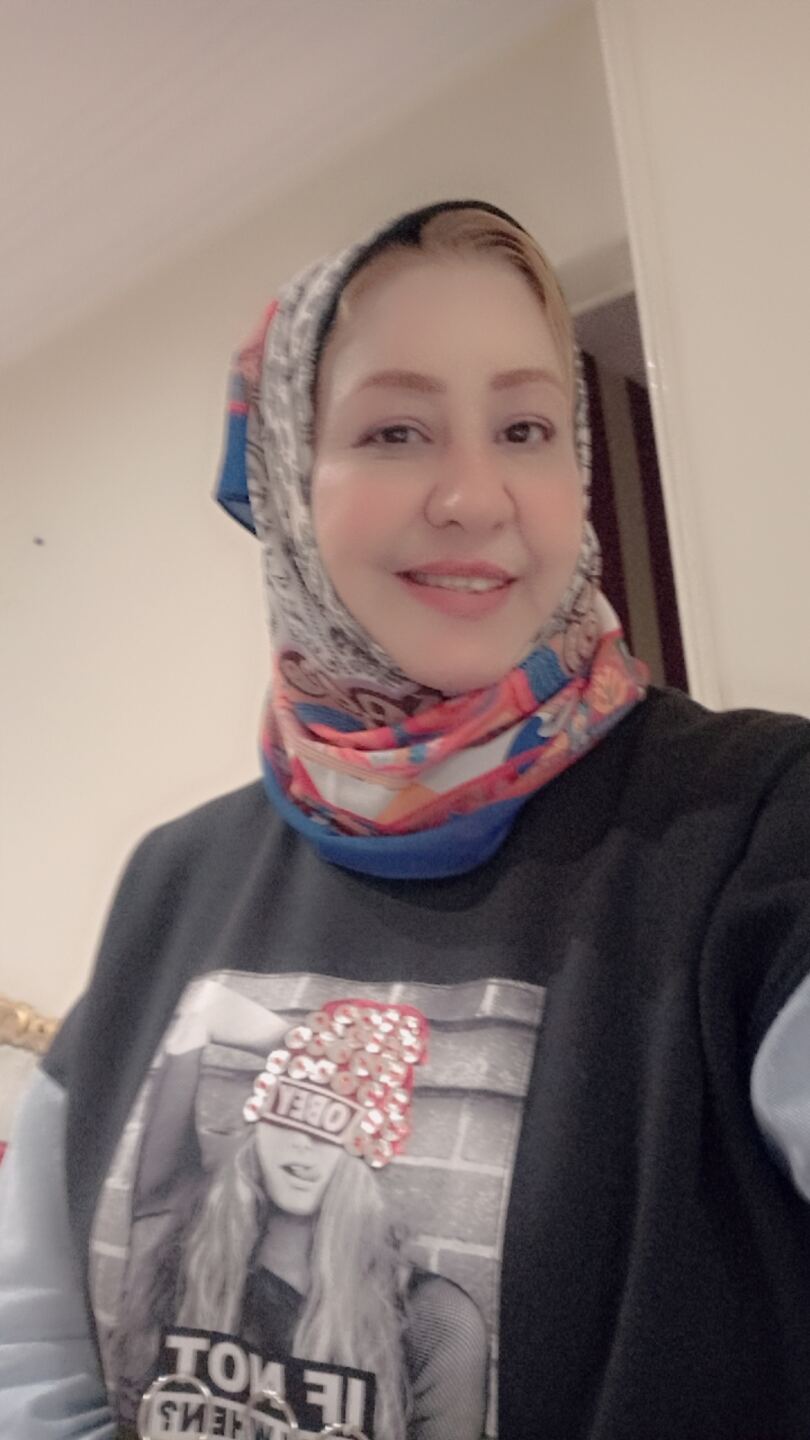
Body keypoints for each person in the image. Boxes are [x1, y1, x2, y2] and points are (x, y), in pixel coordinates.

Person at [0, 198, 809, 1440]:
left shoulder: (758, 825)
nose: (477, 495)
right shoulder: (172, 880)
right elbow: (36, 1371)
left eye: (526, 427)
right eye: (395, 430)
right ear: (283, 481)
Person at [113, 980, 487, 1439]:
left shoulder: (433, 1320)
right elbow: (204, 1006)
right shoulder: (186, 1252)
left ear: (367, 1144)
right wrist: (317, 1050)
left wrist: (339, 1065)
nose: (304, 1144)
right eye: (294, 1109)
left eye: (332, 1122)